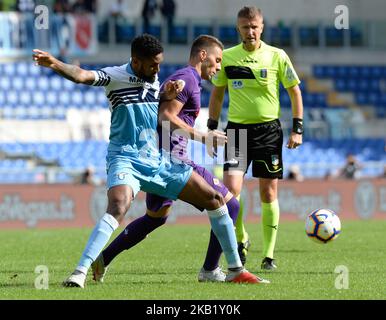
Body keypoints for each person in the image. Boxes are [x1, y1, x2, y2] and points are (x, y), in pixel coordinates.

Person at [32, 34, 267, 288]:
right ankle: (79, 271)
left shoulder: (155, 81)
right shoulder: (115, 76)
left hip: (157, 160)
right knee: (119, 206)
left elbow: (157, 108)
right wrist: (56, 63)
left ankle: (234, 270)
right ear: (136, 60)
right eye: (153, 64)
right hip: (125, 157)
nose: (158, 69)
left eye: (159, 63)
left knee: (215, 200)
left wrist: (165, 91)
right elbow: (82, 75)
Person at [208, 6, 304, 270]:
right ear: (237, 28)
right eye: (245, 27)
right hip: (236, 132)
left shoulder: (277, 56)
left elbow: (295, 92)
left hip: (268, 132)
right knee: (230, 192)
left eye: (254, 27)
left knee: (268, 191)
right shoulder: (226, 57)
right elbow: (217, 94)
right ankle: (241, 239)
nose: (250, 32)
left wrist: (298, 129)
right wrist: (212, 127)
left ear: (262, 27)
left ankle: (269, 255)